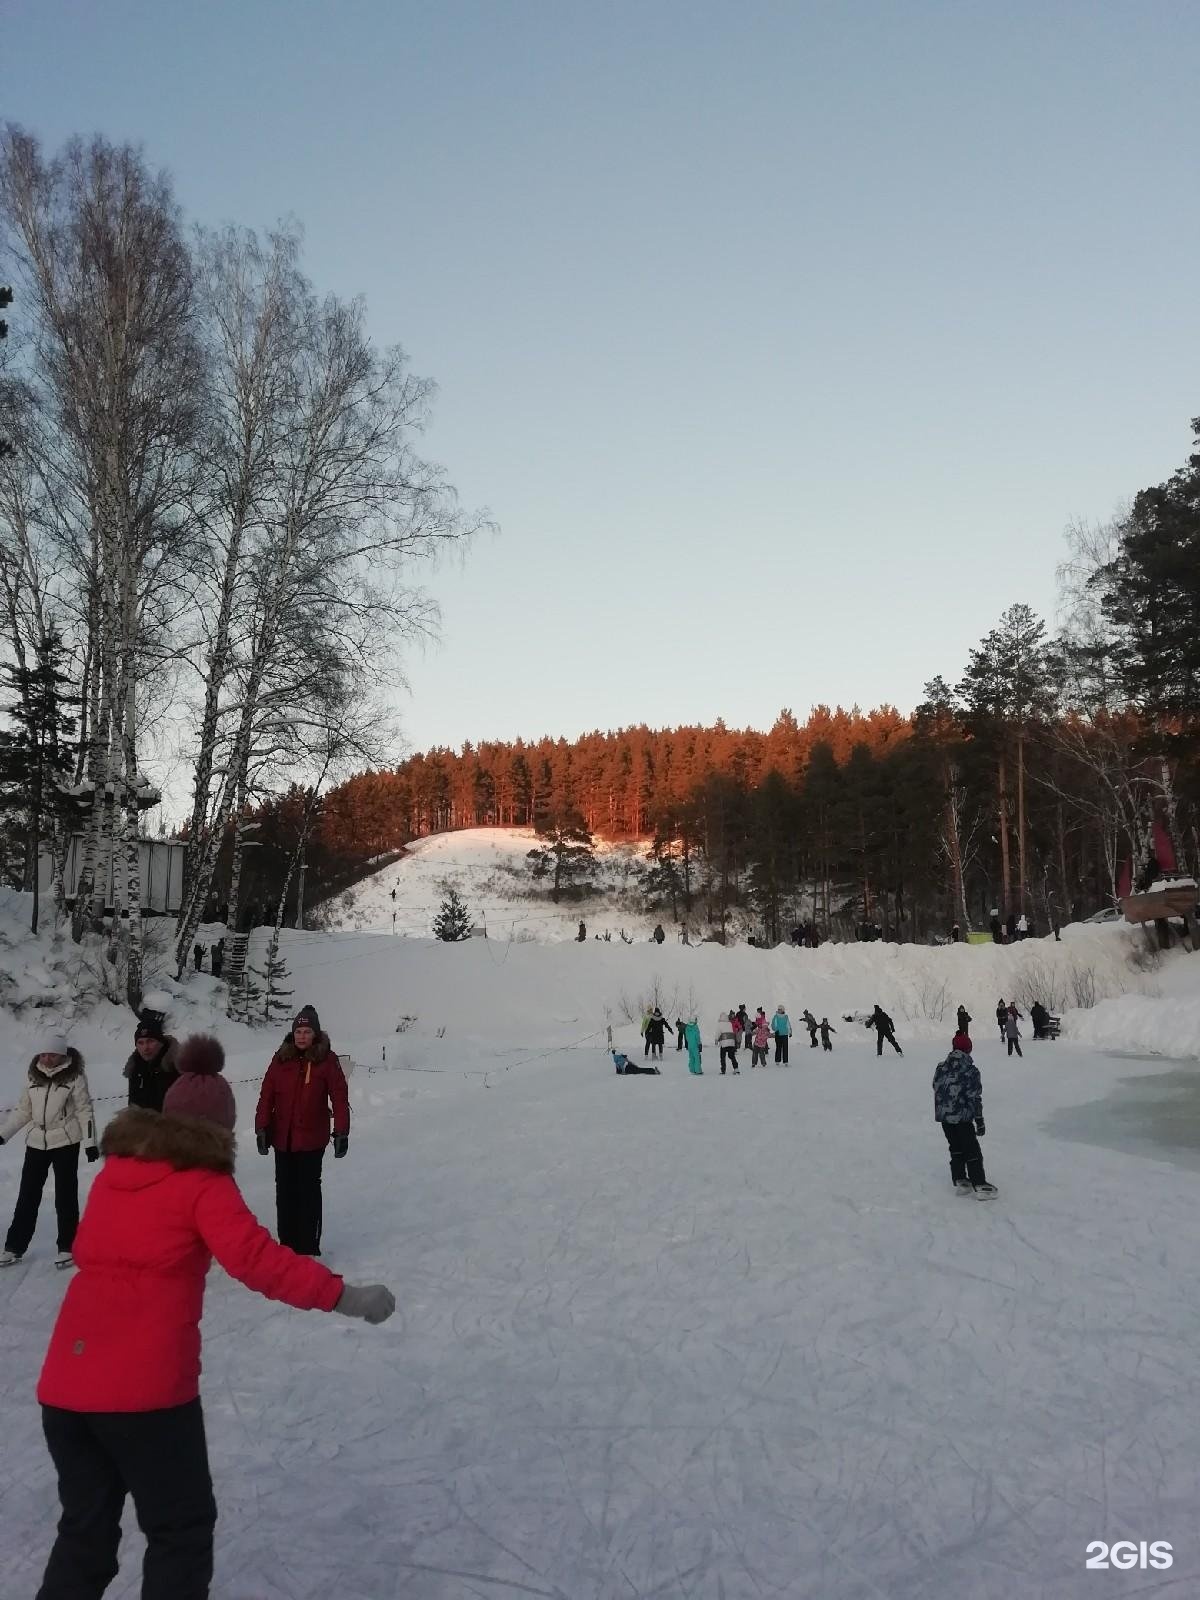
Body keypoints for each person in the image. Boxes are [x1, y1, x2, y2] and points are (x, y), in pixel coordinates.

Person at [33, 1033, 394, 1599]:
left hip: (65, 1390)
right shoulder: (203, 1183)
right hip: (146, 1397)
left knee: (85, 1534)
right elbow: (257, 1260)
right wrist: (346, 1296)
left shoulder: (113, 1175)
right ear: (217, 1129)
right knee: (179, 1531)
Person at [254, 1005, 350, 1256]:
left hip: (311, 1139)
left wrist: (342, 1132)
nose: (302, 1036)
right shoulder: (280, 1059)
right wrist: (261, 1127)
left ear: (315, 1034)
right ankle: (287, 1245)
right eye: (298, 1031)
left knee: (307, 1190)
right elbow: (266, 1095)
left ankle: (308, 1245)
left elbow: (339, 1098)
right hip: (282, 1138)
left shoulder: (327, 1060)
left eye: (307, 1031)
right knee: (284, 1190)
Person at [1, 1035, 98, 1269]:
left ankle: (67, 1246)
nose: (47, 1058)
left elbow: (85, 1110)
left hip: (66, 1140)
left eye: (52, 1054)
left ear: (62, 1055)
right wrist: (3, 1133)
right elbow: (23, 1111)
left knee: (65, 1196)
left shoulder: (74, 1076)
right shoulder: (34, 1076)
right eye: (43, 1054)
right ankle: (14, 1246)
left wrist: (90, 1142)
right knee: (27, 1195)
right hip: (36, 1141)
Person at [932, 1031, 997, 1198]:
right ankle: (979, 1184)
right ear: (968, 1049)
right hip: (962, 1117)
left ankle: (960, 1179)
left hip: (944, 1117)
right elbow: (974, 1097)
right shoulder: (970, 1070)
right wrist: (979, 1120)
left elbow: (935, 1086)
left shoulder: (941, 1067)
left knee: (955, 1148)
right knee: (971, 1149)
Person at [123, 1016, 180, 1114]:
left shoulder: (179, 1067)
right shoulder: (135, 1068)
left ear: (161, 1043)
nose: (145, 1048)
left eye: (150, 1041)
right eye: (140, 1043)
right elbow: (133, 1106)